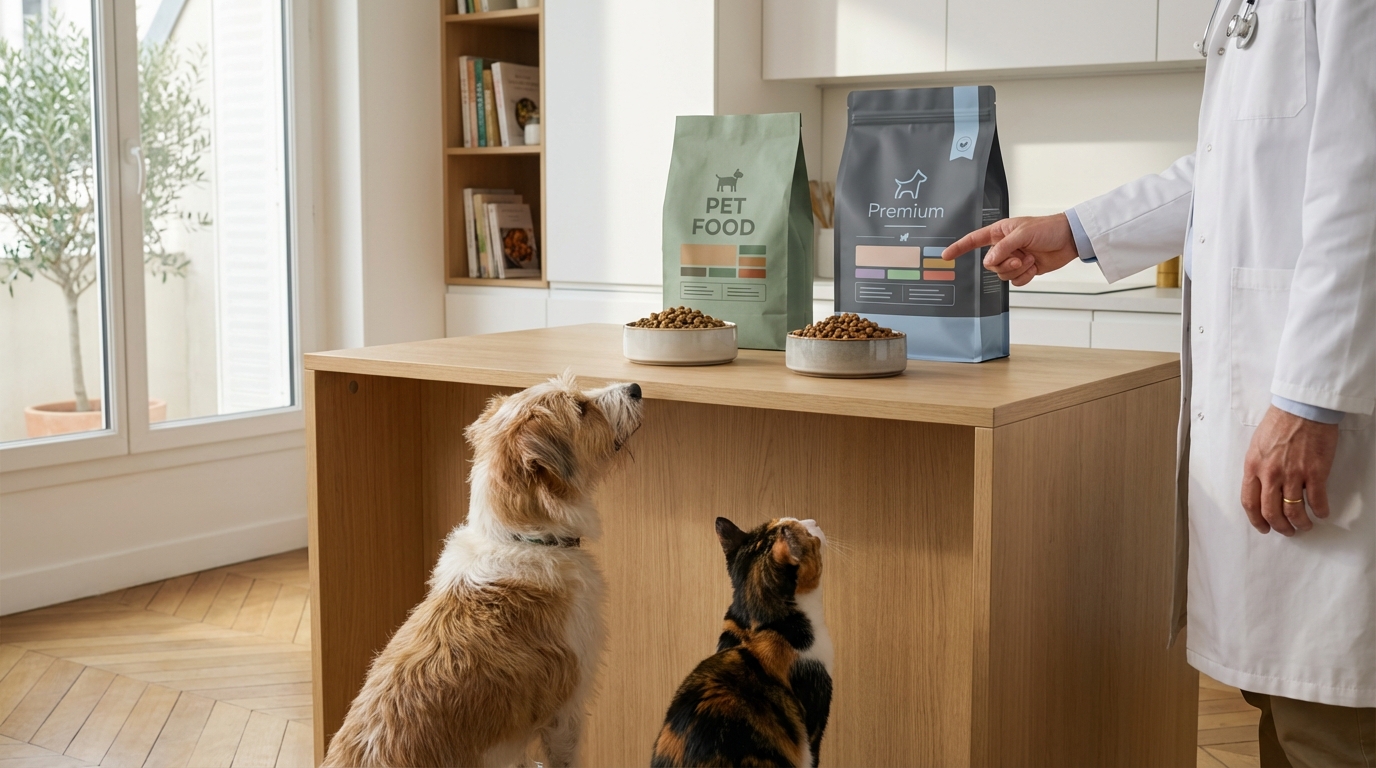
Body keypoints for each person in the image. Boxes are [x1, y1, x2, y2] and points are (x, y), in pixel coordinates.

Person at [942, 1, 1375, 764]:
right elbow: (1224, 170)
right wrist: (1075, 231)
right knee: (1284, 706)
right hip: (1281, 389)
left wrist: (1309, 398)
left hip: (1325, 391)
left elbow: (1361, 187)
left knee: (1330, 715)